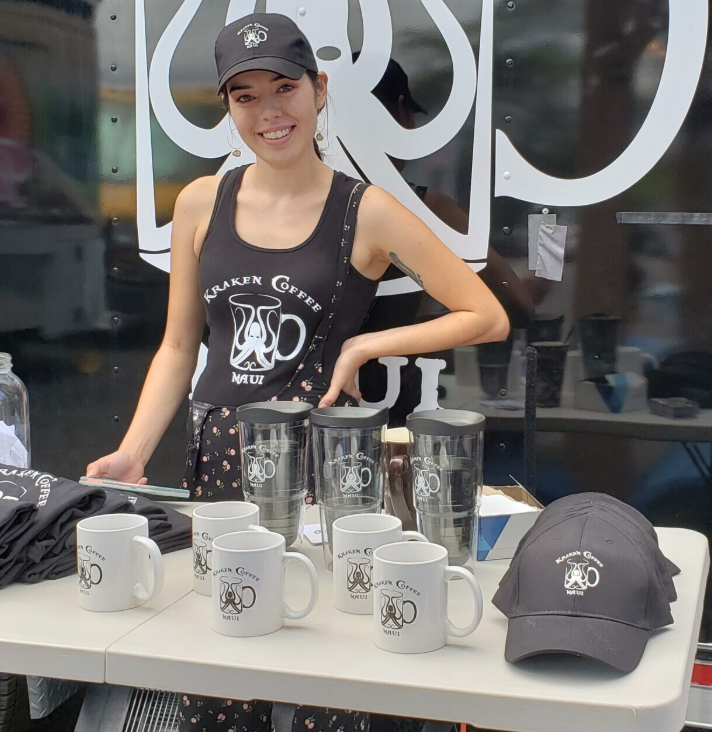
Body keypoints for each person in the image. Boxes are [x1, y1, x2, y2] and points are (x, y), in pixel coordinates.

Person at [86, 13, 508, 732]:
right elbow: (180, 346)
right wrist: (132, 450)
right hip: (216, 465)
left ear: (319, 88)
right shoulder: (199, 202)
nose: (267, 111)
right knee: (219, 672)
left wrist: (366, 348)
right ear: (227, 108)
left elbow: (485, 314)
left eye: (283, 86)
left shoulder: (364, 210)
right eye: (244, 96)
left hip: (322, 471)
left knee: (331, 677)